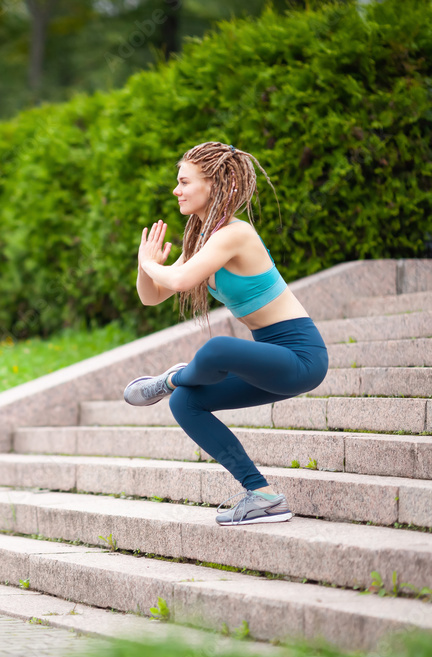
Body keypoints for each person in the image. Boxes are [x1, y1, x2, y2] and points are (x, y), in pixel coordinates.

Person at [122, 141, 328, 527]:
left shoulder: (235, 234)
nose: (176, 190)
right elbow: (153, 296)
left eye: (184, 181)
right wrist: (143, 264)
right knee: (185, 403)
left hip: (300, 357)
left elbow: (181, 280)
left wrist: (154, 266)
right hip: (268, 361)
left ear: (215, 184)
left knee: (216, 349)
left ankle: (169, 378)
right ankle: (263, 496)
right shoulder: (204, 239)